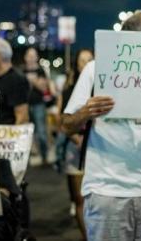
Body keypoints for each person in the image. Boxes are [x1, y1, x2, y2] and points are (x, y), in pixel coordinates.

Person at [62, 11, 141, 241]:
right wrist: (87, 112)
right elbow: (67, 125)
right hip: (106, 192)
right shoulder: (95, 71)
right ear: (134, 39)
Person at [57, 47, 93, 240]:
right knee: (79, 197)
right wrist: (76, 138)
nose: (86, 64)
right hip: (76, 145)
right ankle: (85, 235)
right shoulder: (69, 88)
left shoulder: (99, 86)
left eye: (90, 60)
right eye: (82, 60)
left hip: (95, 146)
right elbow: (63, 120)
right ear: (77, 64)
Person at [22, 47, 52, 166]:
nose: (31, 58)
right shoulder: (21, 70)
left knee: (41, 132)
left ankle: (44, 157)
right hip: (24, 105)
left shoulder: (41, 71)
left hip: (38, 104)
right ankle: (25, 161)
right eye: (29, 55)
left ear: (37, 57)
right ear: (25, 57)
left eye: (33, 55)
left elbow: (44, 87)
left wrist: (33, 81)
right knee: (25, 133)